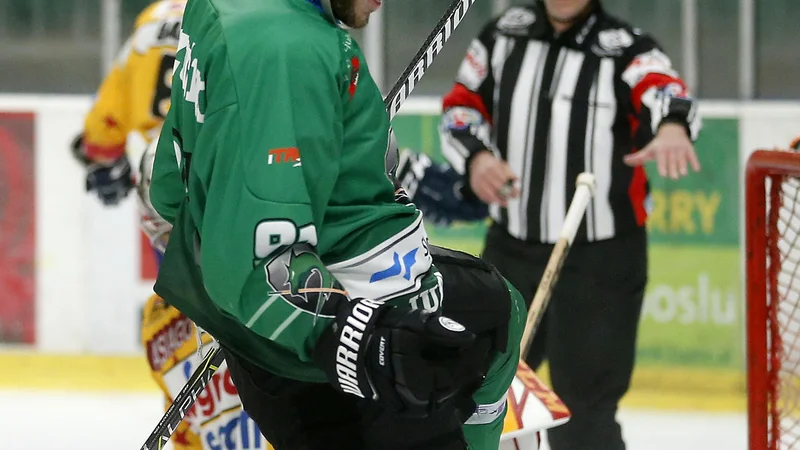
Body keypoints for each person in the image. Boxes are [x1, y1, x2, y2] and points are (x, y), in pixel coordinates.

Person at [146, 0, 528, 448]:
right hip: (336, 346)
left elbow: (170, 190)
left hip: (296, 324)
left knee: (498, 308)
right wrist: (353, 340)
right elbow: (261, 264)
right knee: (487, 324)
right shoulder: (286, 47)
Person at [438, 1, 702, 449]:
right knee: (477, 388)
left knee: (586, 407)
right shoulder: (503, 34)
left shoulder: (625, 48)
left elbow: (666, 90)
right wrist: (477, 158)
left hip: (601, 260)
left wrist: (674, 125)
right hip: (511, 250)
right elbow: (461, 107)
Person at [73, 1, 268, 448]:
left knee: (181, 308)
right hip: (230, 183)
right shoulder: (255, 13)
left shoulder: (149, 24)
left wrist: (103, 157)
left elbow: (103, 127)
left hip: (160, 181)